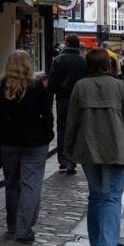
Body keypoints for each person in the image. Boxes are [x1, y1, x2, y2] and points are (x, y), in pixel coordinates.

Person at [65, 47, 124, 246]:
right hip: (116, 148)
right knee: (111, 196)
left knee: (96, 195)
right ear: (107, 65)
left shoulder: (80, 87)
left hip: (88, 148)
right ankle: (109, 242)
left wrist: (68, 151)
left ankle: (97, 242)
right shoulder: (119, 87)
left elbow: (71, 123)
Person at [0, 50, 53, 243]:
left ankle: (13, 226)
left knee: (12, 185)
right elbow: (47, 115)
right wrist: (48, 135)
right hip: (34, 143)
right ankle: (23, 229)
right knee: (30, 185)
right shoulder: (37, 87)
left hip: (8, 143)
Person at [47, 33, 87, 173]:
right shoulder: (83, 61)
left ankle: (63, 160)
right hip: (79, 100)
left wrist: (48, 100)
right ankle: (72, 161)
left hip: (62, 99)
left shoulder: (59, 60)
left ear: (67, 43)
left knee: (62, 129)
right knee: (75, 129)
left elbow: (52, 82)